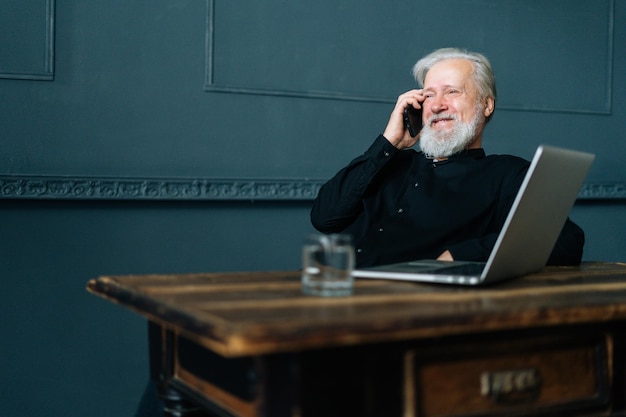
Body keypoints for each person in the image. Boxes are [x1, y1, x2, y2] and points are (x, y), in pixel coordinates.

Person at [310, 47, 584, 268]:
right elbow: (325, 218)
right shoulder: (388, 162)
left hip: (405, 308)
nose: (438, 105)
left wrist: (459, 255)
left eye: (452, 91)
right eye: (429, 95)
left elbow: (566, 241)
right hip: (330, 288)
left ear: (486, 105)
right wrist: (389, 142)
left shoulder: (507, 174)